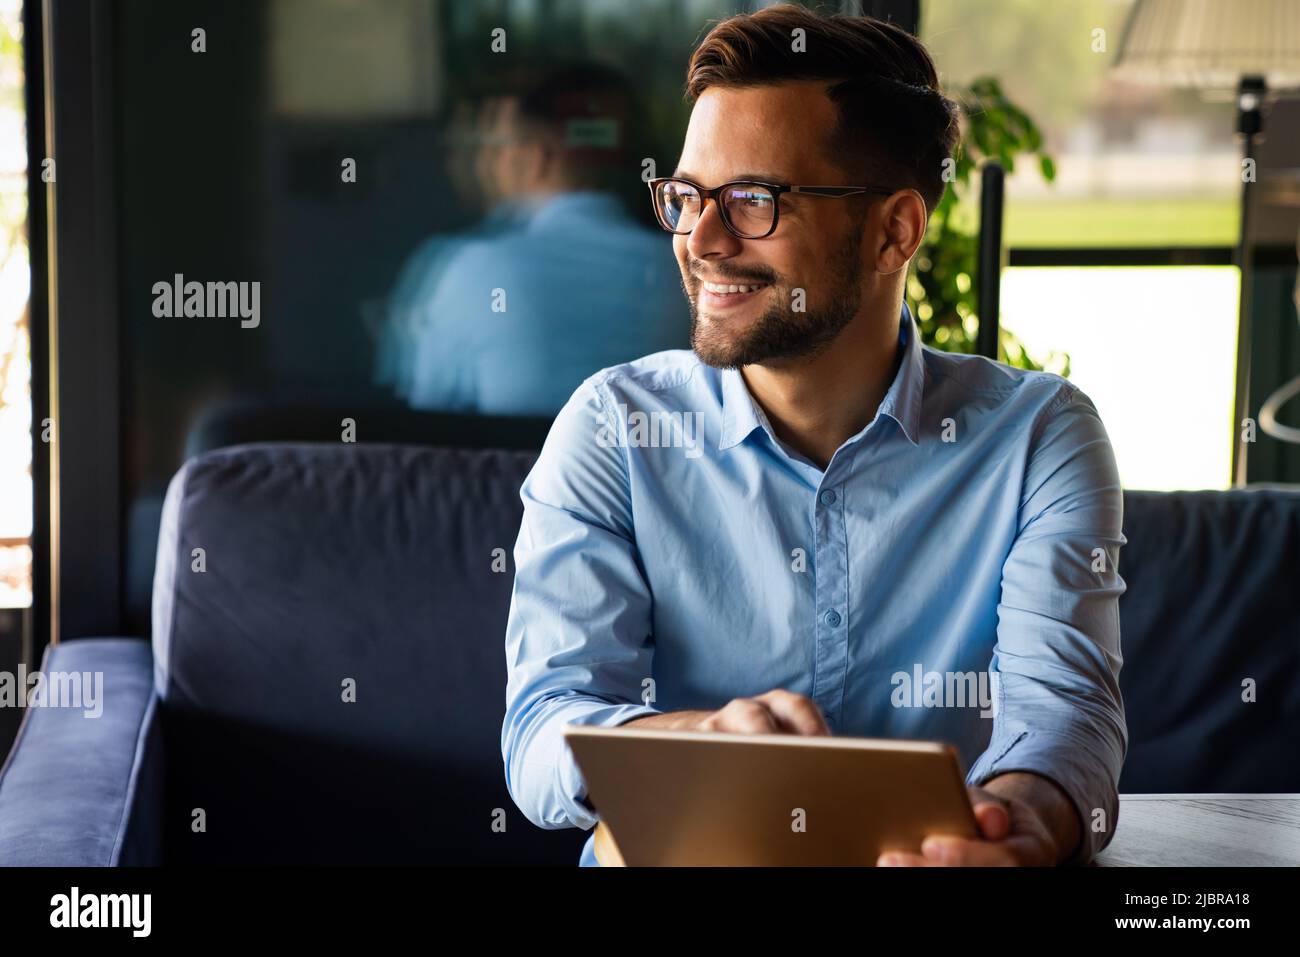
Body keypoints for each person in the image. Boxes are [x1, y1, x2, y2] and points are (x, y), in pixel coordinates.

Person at [503, 4, 1127, 867]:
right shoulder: (613, 430)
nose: (701, 239)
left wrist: (1016, 828)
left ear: (894, 230)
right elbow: (541, 729)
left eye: (753, 200)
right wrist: (699, 744)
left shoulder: (1038, 438)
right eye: (686, 196)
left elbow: (1064, 715)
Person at [399, 64, 690, 415]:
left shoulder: (473, 268)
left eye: (497, 147)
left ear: (537, 156)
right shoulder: (677, 266)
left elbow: (425, 415)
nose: (484, 164)